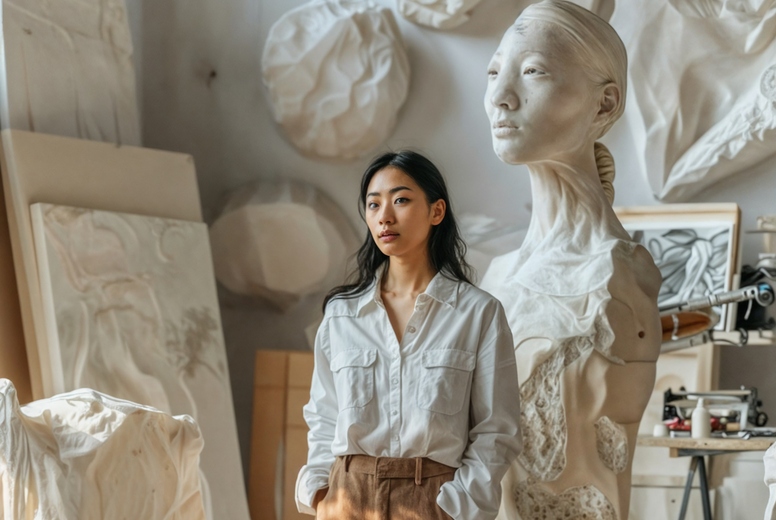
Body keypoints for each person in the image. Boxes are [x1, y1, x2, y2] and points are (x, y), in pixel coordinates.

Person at [481, 2, 662, 519]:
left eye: (533, 71)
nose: (501, 96)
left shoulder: (617, 273)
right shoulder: (498, 276)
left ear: (604, 104)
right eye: (493, 72)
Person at [295, 150, 522, 520]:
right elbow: (323, 416)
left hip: (435, 501)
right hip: (347, 498)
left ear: (436, 211)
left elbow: (497, 429)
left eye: (400, 200)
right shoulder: (342, 315)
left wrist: (458, 506)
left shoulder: (478, 313)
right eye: (373, 204)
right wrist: (321, 495)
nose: (384, 216)